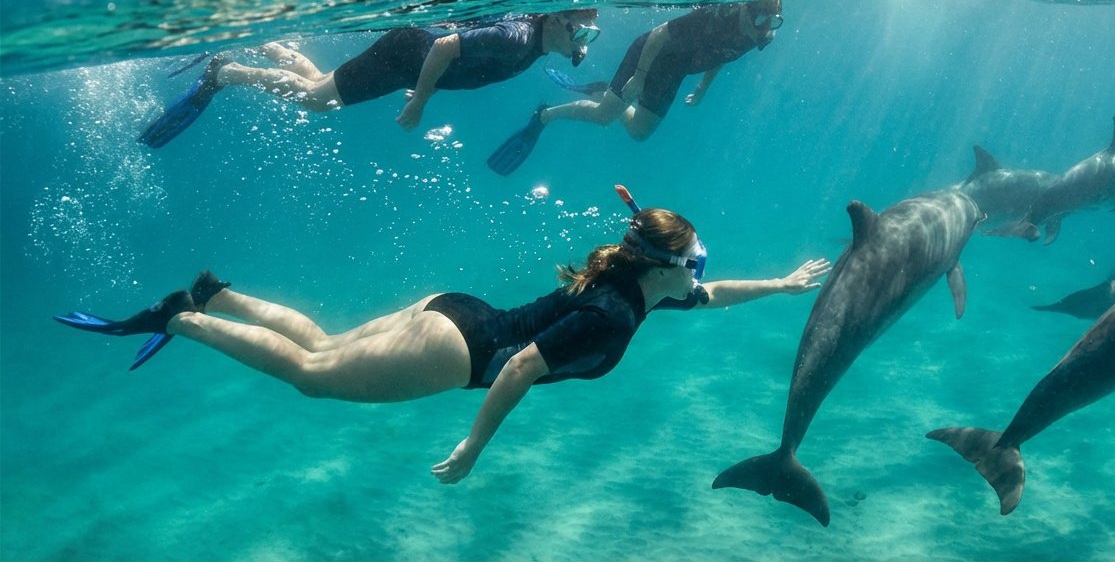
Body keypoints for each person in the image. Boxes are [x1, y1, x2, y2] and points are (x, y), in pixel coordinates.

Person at [53, 185, 832, 485]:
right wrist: (471, 448)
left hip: (451, 309)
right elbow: (522, 368)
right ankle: (183, 319)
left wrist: (784, 285)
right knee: (308, 374)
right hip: (459, 354)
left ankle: (218, 292)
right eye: (694, 260)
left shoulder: (636, 285)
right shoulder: (615, 311)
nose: (702, 270)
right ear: (665, 265)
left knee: (320, 343)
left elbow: (715, 296)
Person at [138, 8, 602, 148]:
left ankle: (269, 44)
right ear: (557, 21)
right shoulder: (519, 39)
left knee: (322, 83)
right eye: (581, 28)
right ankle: (228, 71)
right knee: (319, 100)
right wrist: (420, 98)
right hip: (407, 55)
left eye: (590, 32)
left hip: (409, 55)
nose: (584, 40)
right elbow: (445, 46)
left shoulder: (536, 40)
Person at [486, 0, 783, 175]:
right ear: (744, 9)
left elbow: (723, 54)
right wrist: (639, 77)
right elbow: (658, 34)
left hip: (675, 70)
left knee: (639, 132)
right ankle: (545, 114)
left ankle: (604, 91)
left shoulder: (756, 35)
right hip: (650, 55)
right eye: (758, 18)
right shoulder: (716, 15)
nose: (763, 27)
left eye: (771, 22)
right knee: (605, 117)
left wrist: (704, 86)